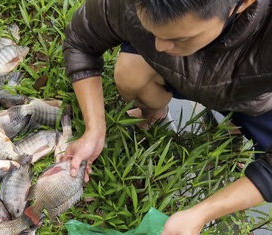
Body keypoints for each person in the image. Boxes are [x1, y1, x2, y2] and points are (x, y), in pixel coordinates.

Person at [61, 0, 272, 234]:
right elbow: (81, 40)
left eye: (180, 38)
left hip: (255, 98)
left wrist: (201, 213)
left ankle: (234, 127)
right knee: (131, 73)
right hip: (178, 70)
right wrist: (94, 130)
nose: (159, 46)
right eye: (151, 29)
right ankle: (153, 114)